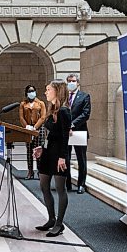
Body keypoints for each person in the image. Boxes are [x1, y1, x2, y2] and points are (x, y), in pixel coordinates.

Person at [33, 80, 71, 237]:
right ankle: (51, 218)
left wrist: (62, 157)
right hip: (48, 153)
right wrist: (42, 147)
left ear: (57, 91)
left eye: (48, 89)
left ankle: (59, 224)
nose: (45, 92)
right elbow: (50, 135)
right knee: (43, 185)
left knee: (60, 189)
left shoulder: (63, 111)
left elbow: (64, 137)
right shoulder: (51, 109)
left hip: (59, 155)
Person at [66, 73, 91, 194]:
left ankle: (81, 184)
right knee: (66, 158)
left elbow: (85, 114)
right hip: (65, 132)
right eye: (69, 81)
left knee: (81, 159)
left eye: (73, 81)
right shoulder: (64, 97)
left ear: (78, 83)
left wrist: (72, 124)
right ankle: (67, 183)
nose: (71, 83)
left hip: (79, 131)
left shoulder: (84, 96)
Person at [19, 85, 46, 179]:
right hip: (28, 129)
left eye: (33, 91)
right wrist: (26, 126)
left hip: (38, 128)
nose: (31, 93)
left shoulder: (40, 103)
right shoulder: (23, 104)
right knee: (29, 150)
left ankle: (40, 171)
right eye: (29, 91)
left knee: (39, 149)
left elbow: (43, 117)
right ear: (26, 93)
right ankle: (30, 172)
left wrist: (35, 127)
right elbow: (21, 117)